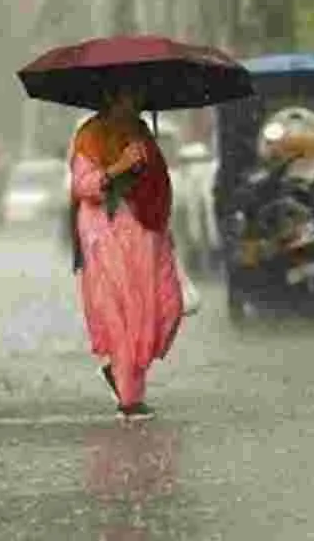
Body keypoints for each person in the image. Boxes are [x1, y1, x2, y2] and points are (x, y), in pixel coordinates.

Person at [68, 84, 184, 421]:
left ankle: (123, 374)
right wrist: (118, 167)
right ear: (112, 97)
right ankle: (130, 400)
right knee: (123, 315)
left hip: (147, 234)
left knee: (166, 306)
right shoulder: (91, 136)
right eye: (129, 96)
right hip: (106, 235)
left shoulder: (142, 132)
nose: (136, 103)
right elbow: (82, 186)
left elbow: (156, 186)